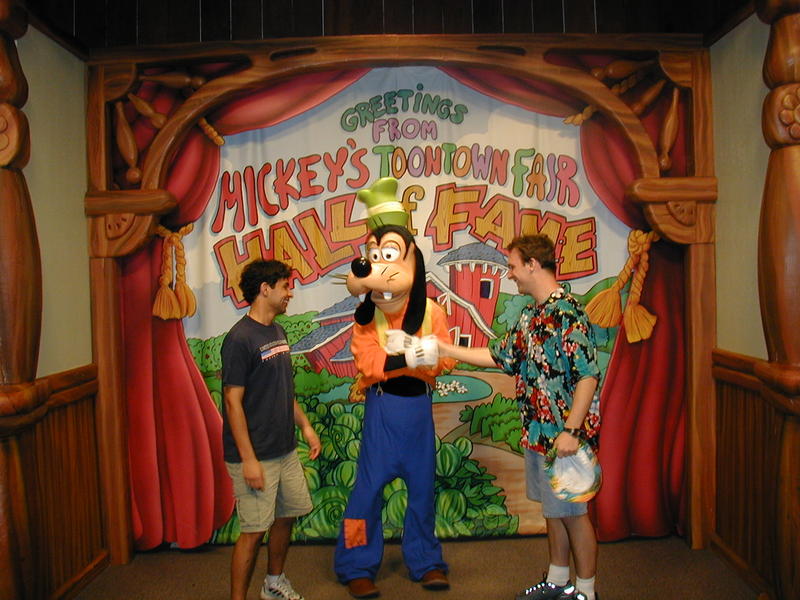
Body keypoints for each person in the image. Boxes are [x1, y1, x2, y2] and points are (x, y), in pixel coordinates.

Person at [438, 234, 601, 600]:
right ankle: (558, 581)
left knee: (574, 516)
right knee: (553, 512)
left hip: (565, 437)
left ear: (532, 264)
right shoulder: (530, 315)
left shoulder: (567, 312)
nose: (509, 274)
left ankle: (587, 592)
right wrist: (444, 348)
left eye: (512, 266)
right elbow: (501, 356)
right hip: (538, 433)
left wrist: (572, 431)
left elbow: (588, 376)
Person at [221, 259, 321, 600]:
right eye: (285, 286)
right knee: (253, 531)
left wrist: (305, 426)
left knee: (287, 515)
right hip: (256, 455)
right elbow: (232, 402)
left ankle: (273, 582)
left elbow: (283, 390)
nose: (289, 293)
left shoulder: (277, 332)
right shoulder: (239, 339)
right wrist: (248, 459)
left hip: (285, 449)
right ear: (265, 289)